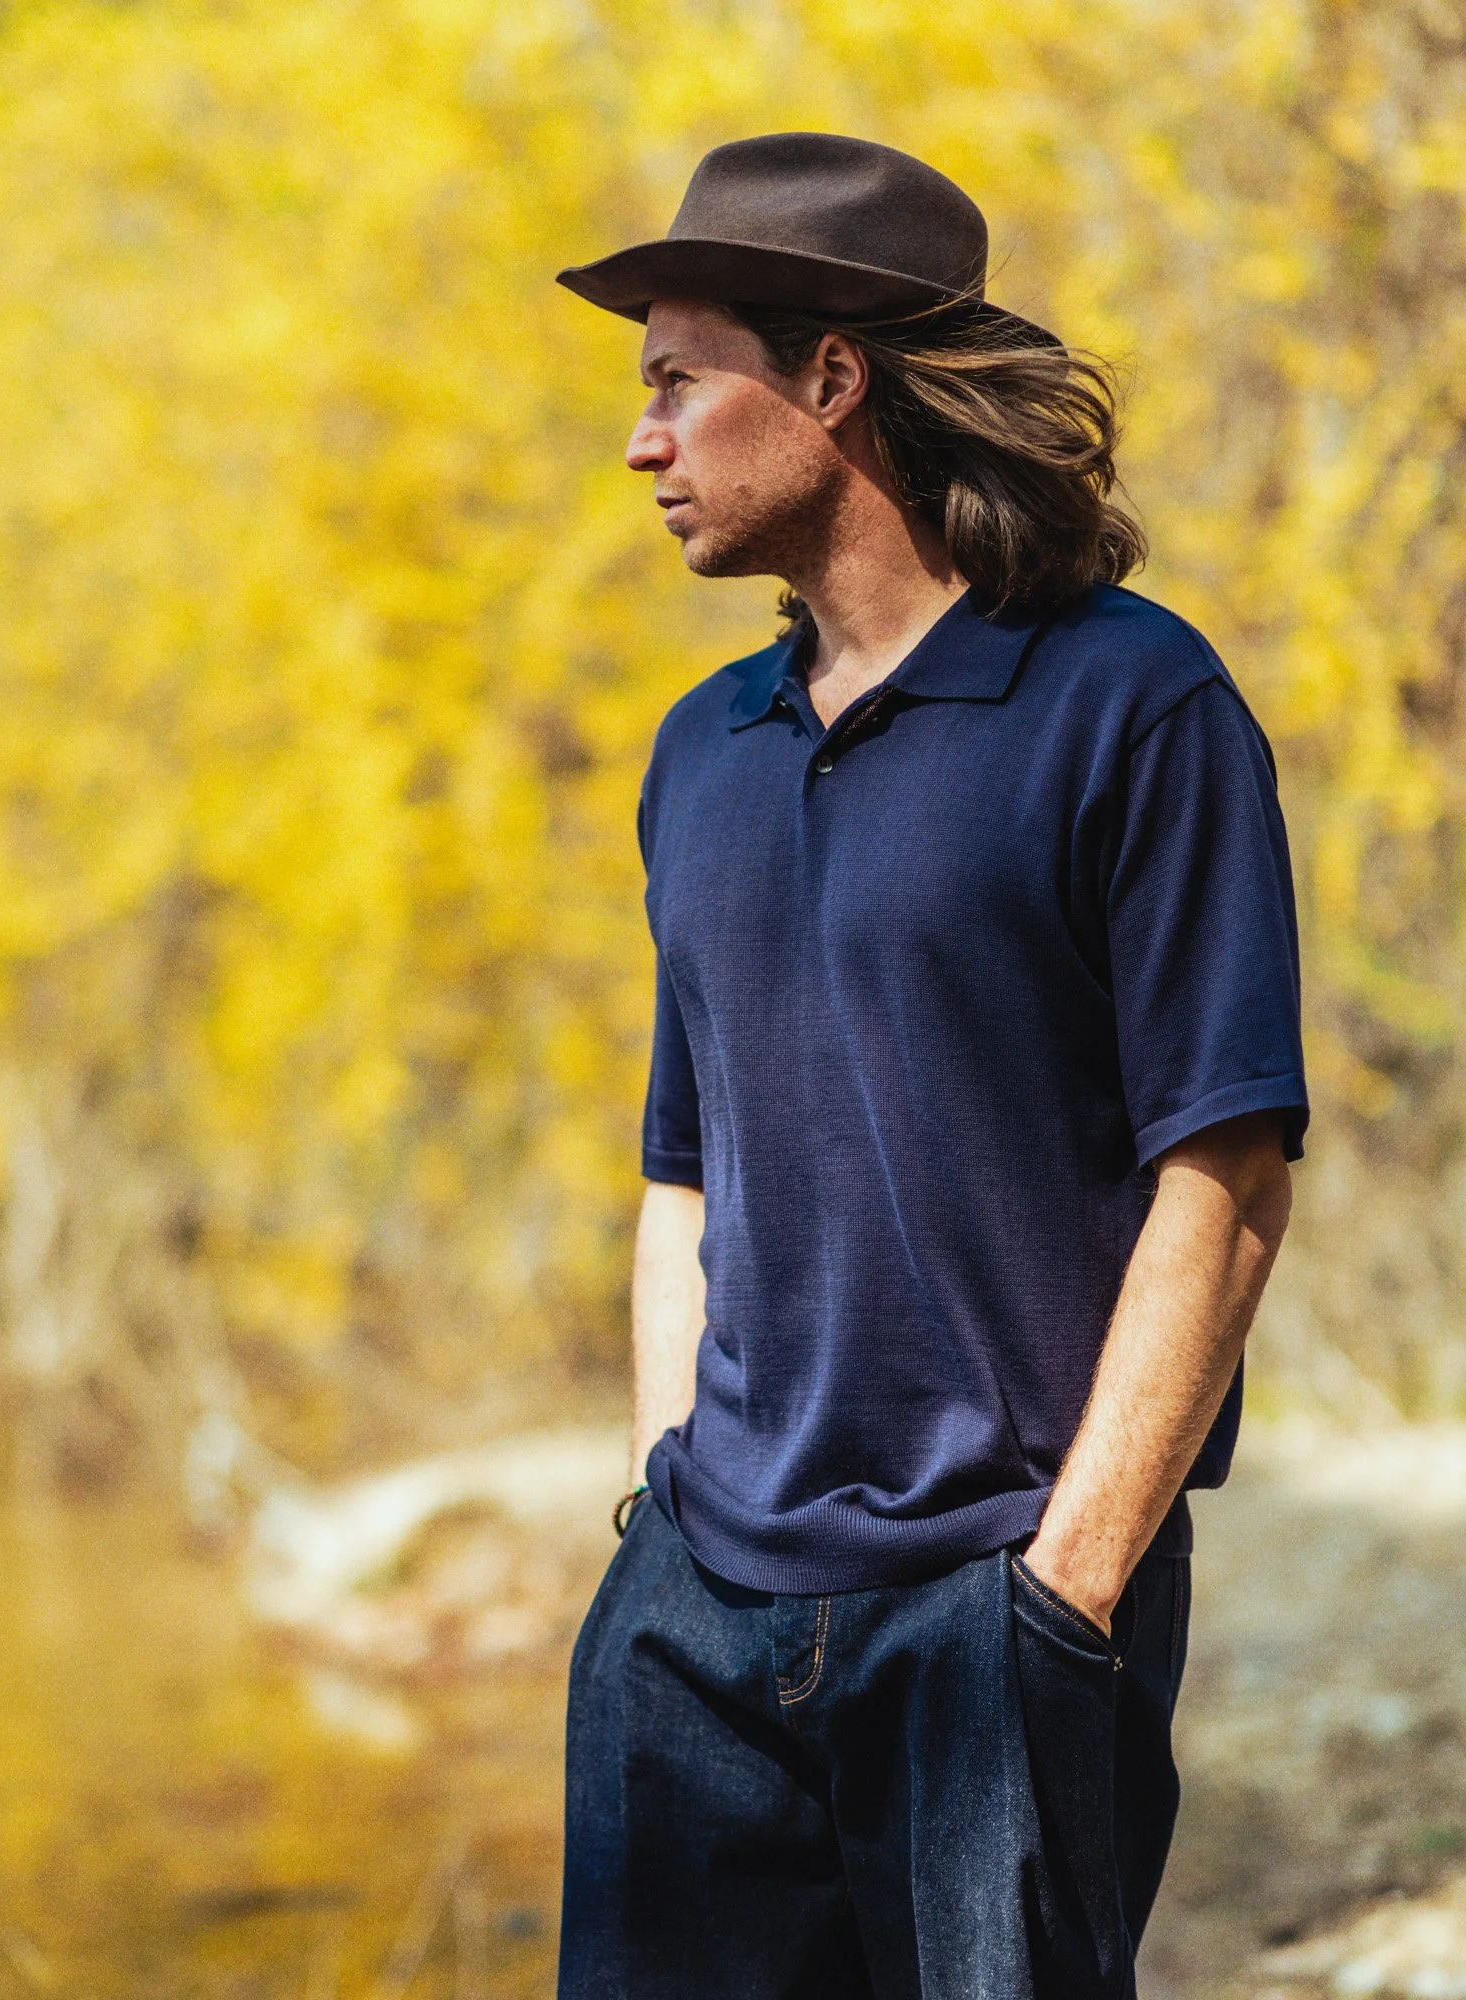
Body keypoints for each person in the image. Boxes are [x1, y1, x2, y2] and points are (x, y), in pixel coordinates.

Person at [552, 132, 1306, 1999]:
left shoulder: (1134, 705)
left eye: (673, 380)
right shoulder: (699, 750)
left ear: (830, 379)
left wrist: (1070, 1588)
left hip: (996, 1611)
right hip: (696, 1627)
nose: (641, 441)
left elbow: (1224, 1179)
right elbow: (685, 1166)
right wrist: (660, 1513)